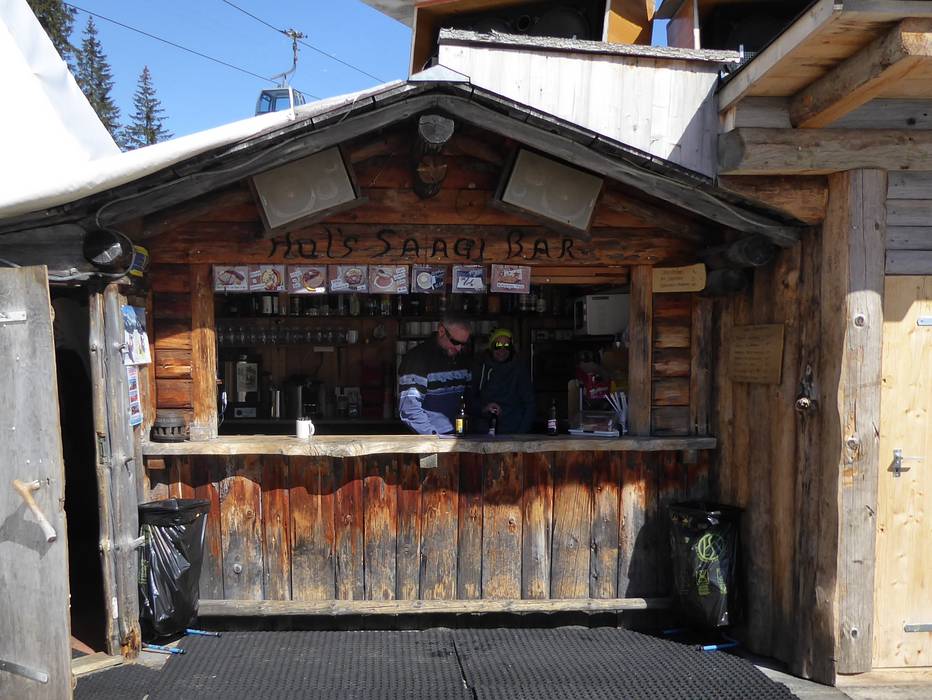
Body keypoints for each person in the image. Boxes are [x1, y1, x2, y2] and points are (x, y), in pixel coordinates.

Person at [398, 315, 473, 435]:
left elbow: (470, 399)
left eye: (463, 344)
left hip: (458, 438)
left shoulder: (463, 359)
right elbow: (410, 409)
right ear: (442, 331)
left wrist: (484, 408)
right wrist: (434, 438)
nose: (459, 348)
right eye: (455, 342)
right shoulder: (417, 359)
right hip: (429, 440)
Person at [471, 328, 535, 434]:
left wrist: (521, 434)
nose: (502, 350)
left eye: (507, 346)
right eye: (498, 346)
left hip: (512, 431)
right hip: (483, 432)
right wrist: (483, 408)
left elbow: (530, 404)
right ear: (491, 347)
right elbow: (470, 400)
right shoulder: (480, 367)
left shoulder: (519, 370)